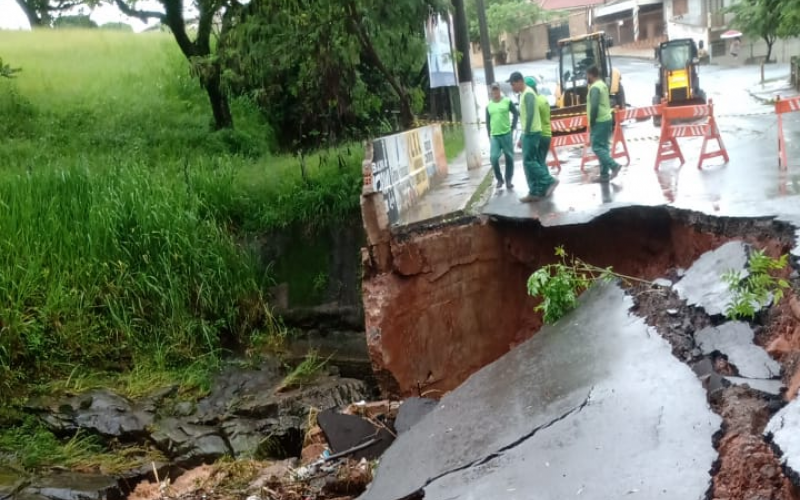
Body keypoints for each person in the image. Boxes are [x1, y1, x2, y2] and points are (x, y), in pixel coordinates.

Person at [507, 71, 558, 202]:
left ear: (519, 81)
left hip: (531, 132)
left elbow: (530, 115)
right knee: (530, 161)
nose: (512, 88)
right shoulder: (525, 94)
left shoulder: (528, 94)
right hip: (531, 132)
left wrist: (526, 133)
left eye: (513, 84)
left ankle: (548, 180)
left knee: (529, 161)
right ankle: (535, 191)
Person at [586, 65, 621, 182]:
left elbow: (594, 106)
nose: (587, 77)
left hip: (599, 121)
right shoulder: (603, 85)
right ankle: (604, 175)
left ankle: (614, 165)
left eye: (587, 75)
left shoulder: (595, 88)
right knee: (604, 147)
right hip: (607, 118)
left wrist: (592, 121)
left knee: (596, 147)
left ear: (591, 75)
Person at [485, 82, 519, 189]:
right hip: (495, 135)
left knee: (509, 157)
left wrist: (513, 127)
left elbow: (516, 113)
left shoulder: (507, 101)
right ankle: (499, 179)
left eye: (497, 90)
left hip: (506, 134)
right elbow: (487, 121)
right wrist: (489, 135)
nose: (495, 92)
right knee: (494, 158)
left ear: (500, 90)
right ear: (491, 92)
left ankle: (508, 179)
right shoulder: (489, 106)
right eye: (493, 90)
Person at [524, 76, 553, 167]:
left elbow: (531, 118)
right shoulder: (543, 98)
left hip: (540, 135)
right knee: (541, 161)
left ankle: (547, 180)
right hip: (547, 133)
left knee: (538, 163)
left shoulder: (534, 101)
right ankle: (546, 180)